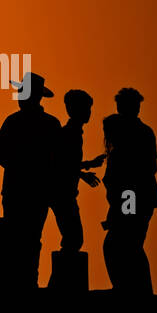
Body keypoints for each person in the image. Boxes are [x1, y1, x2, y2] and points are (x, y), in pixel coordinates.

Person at [0, 72, 62, 284]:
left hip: (19, 190)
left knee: (18, 238)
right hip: (36, 192)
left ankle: (19, 281)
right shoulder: (51, 124)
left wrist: (20, 167)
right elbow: (57, 160)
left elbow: (0, 155)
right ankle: (27, 280)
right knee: (30, 238)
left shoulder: (13, 122)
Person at [102, 87, 157, 294]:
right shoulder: (141, 132)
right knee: (128, 245)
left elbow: (142, 173)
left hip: (132, 196)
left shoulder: (135, 135)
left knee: (124, 245)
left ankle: (128, 289)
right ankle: (133, 289)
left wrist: (122, 210)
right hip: (134, 196)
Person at [50, 89, 106, 253]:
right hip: (62, 194)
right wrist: (84, 171)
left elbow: (68, 164)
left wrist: (86, 168)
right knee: (74, 238)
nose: (89, 113)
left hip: (64, 194)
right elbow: (62, 165)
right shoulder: (69, 134)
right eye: (86, 108)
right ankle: (60, 279)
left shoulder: (72, 133)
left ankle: (59, 278)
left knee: (72, 239)